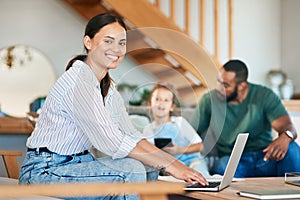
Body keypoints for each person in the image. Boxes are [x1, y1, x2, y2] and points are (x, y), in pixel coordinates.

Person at [18, 13, 208, 199]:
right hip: (44, 171)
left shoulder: (108, 88)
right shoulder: (78, 82)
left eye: (122, 43)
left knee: (149, 166)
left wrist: (174, 164)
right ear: (88, 42)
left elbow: (132, 135)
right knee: (130, 169)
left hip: (78, 165)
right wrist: (172, 166)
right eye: (108, 41)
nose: (116, 49)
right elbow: (110, 140)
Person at [190, 59, 300, 178]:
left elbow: (288, 127)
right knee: (222, 166)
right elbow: (190, 133)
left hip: (264, 158)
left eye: (225, 85)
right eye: (219, 82)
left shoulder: (264, 95)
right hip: (233, 161)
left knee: (292, 148)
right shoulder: (209, 100)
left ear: (242, 85)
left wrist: (285, 137)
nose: (219, 89)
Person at [143, 83, 211, 177]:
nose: (161, 103)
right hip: (171, 166)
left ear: (172, 107)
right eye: (157, 99)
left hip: (193, 161)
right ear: (149, 104)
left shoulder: (179, 122)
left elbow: (200, 146)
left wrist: (179, 149)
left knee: (199, 172)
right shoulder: (148, 129)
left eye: (166, 100)